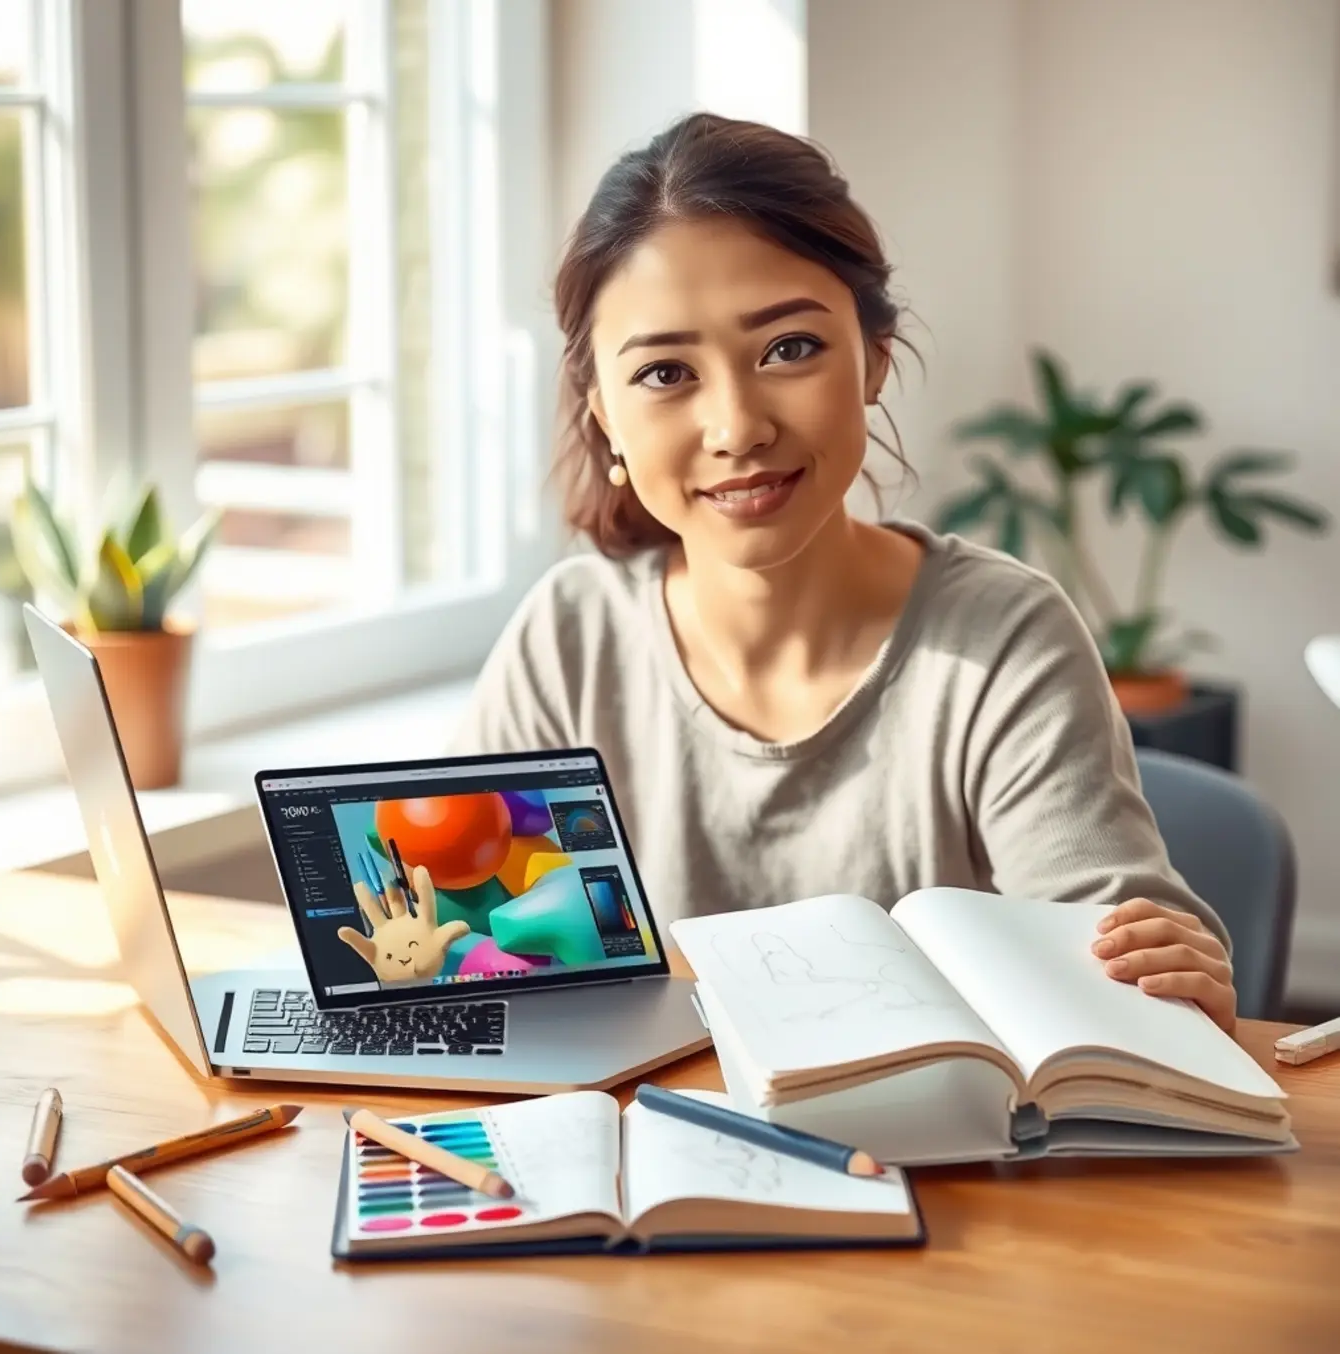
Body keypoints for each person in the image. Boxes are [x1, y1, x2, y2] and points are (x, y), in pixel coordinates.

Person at [447, 112, 1237, 1033]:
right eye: (666, 372)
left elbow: (1125, 997)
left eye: (789, 348)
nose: (737, 427)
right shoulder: (568, 638)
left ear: (873, 362)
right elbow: (475, 953)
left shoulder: (1003, 639)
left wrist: (1165, 983)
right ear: (604, 417)